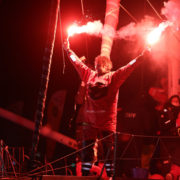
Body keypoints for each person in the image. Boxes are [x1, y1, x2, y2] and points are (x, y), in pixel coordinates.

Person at [63, 40, 150, 177]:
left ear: (108, 66)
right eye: (97, 63)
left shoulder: (114, 77)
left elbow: (129, 67)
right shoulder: (89, 74)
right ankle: (85, 176)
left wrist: (142, 56)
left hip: (107, 123)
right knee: (87, 151)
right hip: (90, 122)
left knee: (109, 153)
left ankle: (110, 176)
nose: (98, 66)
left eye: (102, 64)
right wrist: (68, 50)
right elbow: (77, 63)